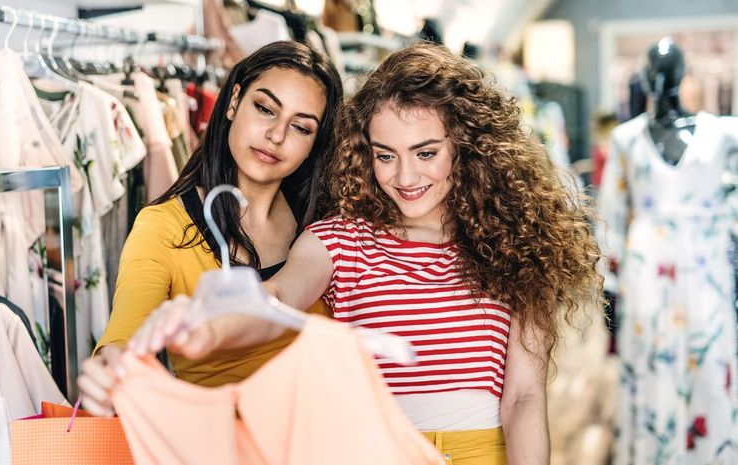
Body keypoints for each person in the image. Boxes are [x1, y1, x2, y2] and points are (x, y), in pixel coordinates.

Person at [130, 43, 603, 464]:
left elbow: (522, 398)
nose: (404, 176)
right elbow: (278, 299)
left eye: (425, 153)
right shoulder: (340, 240)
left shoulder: (514, 248)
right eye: (385, 154)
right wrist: (202, 323)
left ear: (467, 147)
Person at [77, 40, 343, 417]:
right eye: (265, 109)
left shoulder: (327, 225)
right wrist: (110, 370)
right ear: (233, 101)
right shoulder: (164, 226)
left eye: (300, 127)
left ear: (316, 143)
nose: (276, 135)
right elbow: (124, 336)